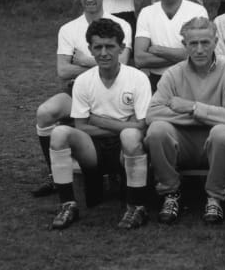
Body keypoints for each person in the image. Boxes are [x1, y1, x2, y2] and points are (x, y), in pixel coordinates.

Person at [32, 0, 132, 197]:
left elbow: (122, 64)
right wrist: (97, 65)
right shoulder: (68, 29)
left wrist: (85, 60)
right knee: (45, 112)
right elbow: (63, 71)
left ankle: (116, 169)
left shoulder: (122, 25)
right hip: (78, 88)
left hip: (113, 89)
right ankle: (54, 174)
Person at [48, 18, 152, 230]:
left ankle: (136, 207)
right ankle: (67, 204)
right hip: (93, 148)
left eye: (110, 46)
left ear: (122, 48)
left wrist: (96, 119)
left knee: (130, 136)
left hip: (126, 147)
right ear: (90, 49)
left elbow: (141, 127)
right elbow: (81, 127)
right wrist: (122, 124)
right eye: (98, 47)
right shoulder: (84, 81)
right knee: (59, 134)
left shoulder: (138, 78)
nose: (104, 53)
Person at [145, 17, 225, 225]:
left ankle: (215, 197)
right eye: (193, 43)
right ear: (185, 45)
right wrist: (203, 117)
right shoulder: (173, 73)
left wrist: (193, 107)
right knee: (157, 130)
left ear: (215, 42)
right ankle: (171, 193)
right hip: (182, 143)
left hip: (216, 144)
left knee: (222, 132)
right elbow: (153, 113)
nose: (199, 49)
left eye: (205, 43)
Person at [135, 0, 208, 91]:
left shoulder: (197, 11)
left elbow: (201, 54)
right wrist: (184, 56)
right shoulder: (147, 13)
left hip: (190, 80)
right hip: (156, 82)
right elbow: (140, 59)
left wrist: (159, 50)